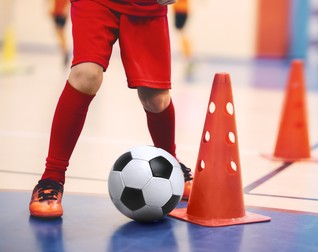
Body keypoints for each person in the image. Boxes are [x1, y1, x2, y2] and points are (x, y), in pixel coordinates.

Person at [29, 0, 193, 218]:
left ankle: (171, 164)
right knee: (86, 74)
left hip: (146, 6)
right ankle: (51, 178)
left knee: (156, 98)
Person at [172, 0, 194, 77]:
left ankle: (187, 55)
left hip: (181, 11)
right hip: (180, 10)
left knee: (181, 32)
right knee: (181, 32)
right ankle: (187, 55)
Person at [49, 0, 70, 66]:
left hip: (62, 13)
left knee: (61, 33)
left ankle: (65, 52)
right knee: (58, 34)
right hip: (56, 13)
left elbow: (69, 2)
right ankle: (64, 51)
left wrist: (66, 10)